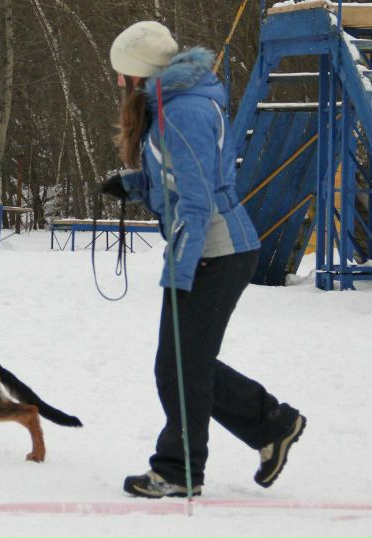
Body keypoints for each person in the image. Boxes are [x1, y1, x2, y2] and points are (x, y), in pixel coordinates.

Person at [100, 21, 306, 498]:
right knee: (186, 364)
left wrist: (182, 266)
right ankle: (272, 423)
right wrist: (133, 185)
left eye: (122, 72)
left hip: (215, 251)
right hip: (212, 249)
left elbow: (196, 201)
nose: (117, 82)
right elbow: (188, 176)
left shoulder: (182, 112)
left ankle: (178, 470)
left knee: (179, 368)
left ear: (141, 72)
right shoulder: (172, 104)